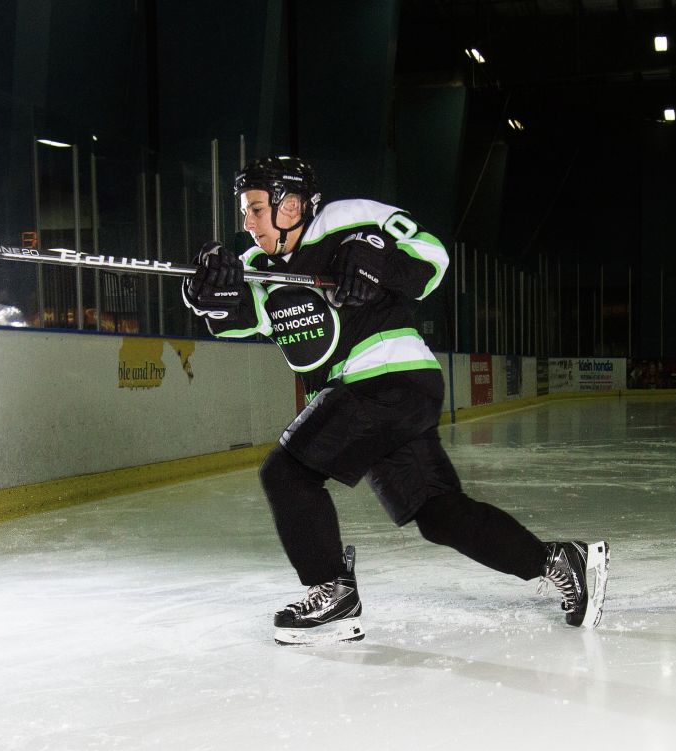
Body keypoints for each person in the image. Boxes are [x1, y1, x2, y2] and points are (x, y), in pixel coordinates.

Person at [181, 155, 609, 646]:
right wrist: (213, 296)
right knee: (438, 513)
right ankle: (560, 561)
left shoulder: (347, 220)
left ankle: (333, 595)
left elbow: (432, 257)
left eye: (257, 208)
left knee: (288, 472)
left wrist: (377, 260)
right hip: (374, 399)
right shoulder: (257, 267)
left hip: (389, 378)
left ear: (292, 204)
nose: (248, 222)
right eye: (244, 212)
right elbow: (240, 318)